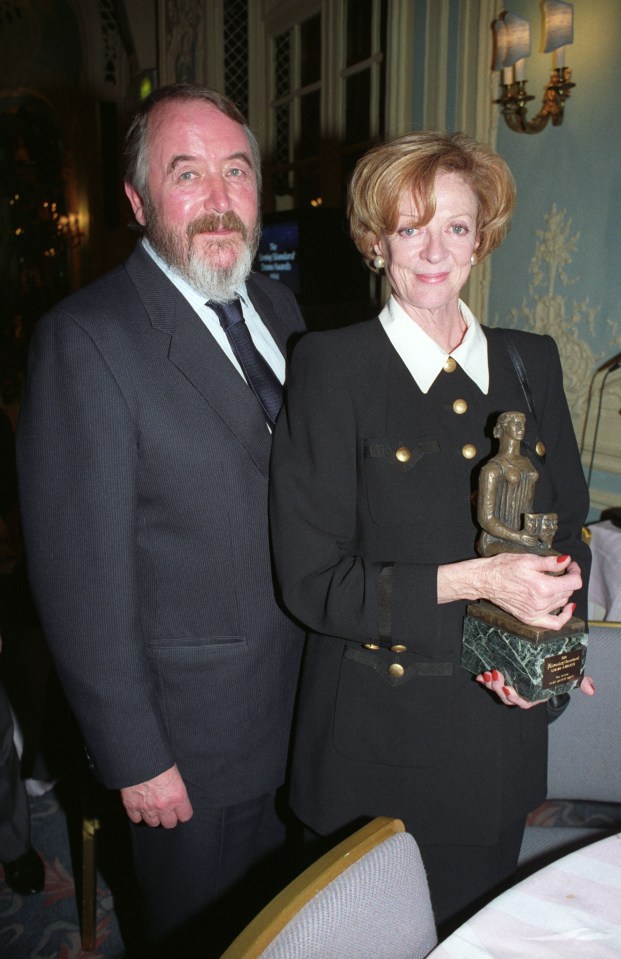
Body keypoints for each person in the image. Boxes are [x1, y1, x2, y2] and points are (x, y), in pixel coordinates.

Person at [269, 130, 594, 934]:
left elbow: (570, 527)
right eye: (408, 226)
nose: (433, 249)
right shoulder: (330, 367)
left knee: (468, 935)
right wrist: (476, 584)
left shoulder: (530, 362)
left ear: (480, 239)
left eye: (454, 225)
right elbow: (313, 582)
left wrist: (550, 643)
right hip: (373, 747)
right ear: (375, 243)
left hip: (496, 734)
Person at [16, 83, 305, 955]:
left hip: (305, 711)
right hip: (193, 746)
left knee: (292, 923)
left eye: (237, 171)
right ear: (140, 202)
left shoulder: (283, 313)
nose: (219, 200)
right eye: (188, 174)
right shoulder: (88, 340)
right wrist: (135, 751)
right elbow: (79, 580)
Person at [477, 410, 560, 557]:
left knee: (556, 560)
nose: (522, 427)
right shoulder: (493, 468)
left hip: (524, 535)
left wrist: (541, 529)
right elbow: (486, 519)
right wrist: (517, 537)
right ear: (503, 427)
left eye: (523, 423)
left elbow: (528, 508)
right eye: (516, 423)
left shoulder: (526, 463)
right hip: (494, 539)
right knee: (541, 563)